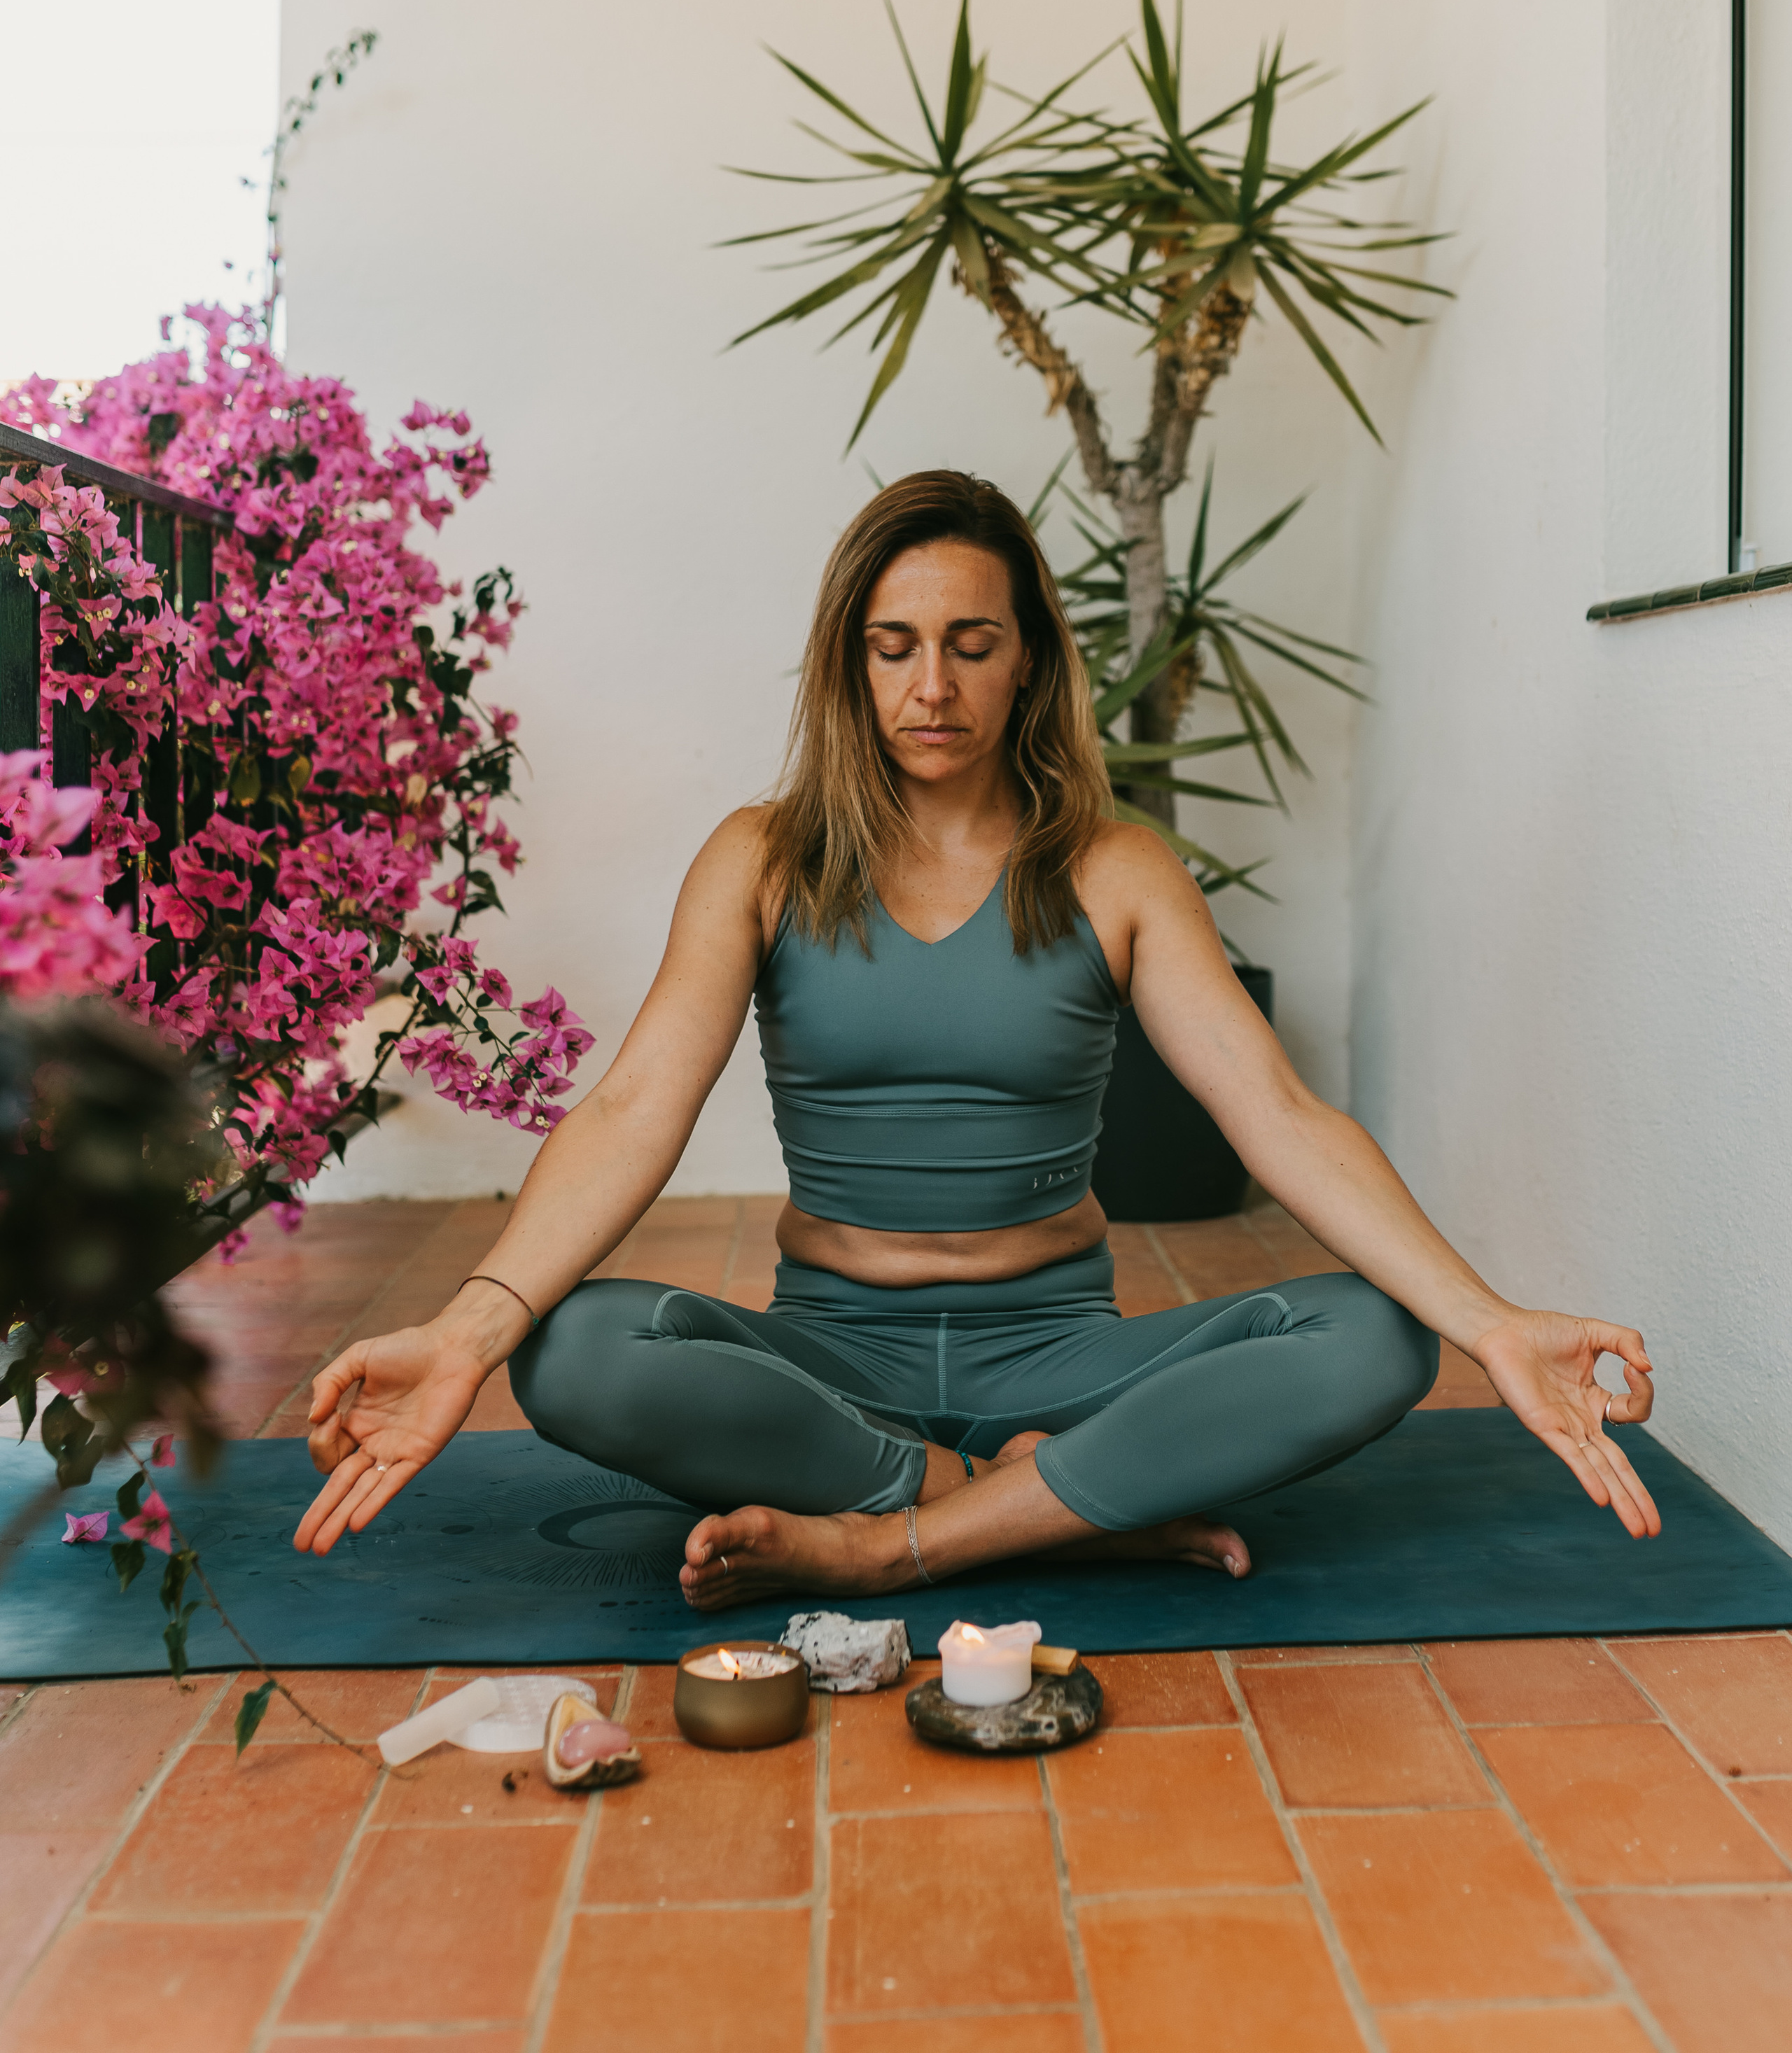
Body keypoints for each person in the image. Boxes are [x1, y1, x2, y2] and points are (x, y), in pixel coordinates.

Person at [295, 472, 1658, 1606]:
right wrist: (468, 1333)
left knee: (1378, 1336)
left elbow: (1277, 1114)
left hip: (1058, 1361)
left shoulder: (1116, 871)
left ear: (1029, 660)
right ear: (849, 663)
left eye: (970, 643)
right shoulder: (761, 859)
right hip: (826, 1359)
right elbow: (630, 1108)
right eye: (892, 646)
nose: (930, 685)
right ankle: (1047, 1511)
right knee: (569, 1350)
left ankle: (893, 1538)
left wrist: (1487, 1324)